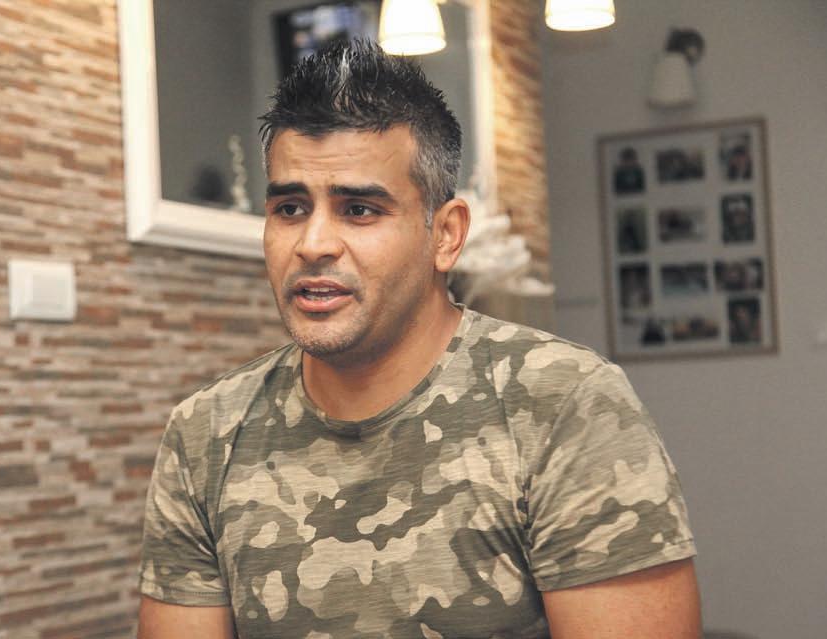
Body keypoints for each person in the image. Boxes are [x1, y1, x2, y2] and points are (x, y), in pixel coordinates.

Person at [137, 40, 700, 638]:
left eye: (359, 209)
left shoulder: (564, 403)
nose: (313, 244)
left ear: (446, 235)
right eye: (291, 208)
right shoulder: (207, 432)